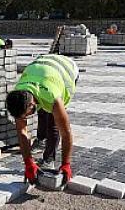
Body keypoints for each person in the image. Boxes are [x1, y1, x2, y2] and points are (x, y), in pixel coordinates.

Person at [6, 54, 79, 184]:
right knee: (42, 113)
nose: (26, 118)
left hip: (66, 69)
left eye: (27, 114)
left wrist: (66, 164)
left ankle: (49, 159)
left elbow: (66, 133)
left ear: (32, 104)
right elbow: (22, 132)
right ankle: (41, 141)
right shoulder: (19, 94)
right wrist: (28, 163)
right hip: (41, 71)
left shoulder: (53, 98)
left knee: (53, 123)